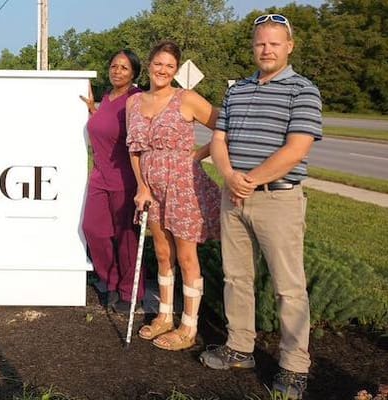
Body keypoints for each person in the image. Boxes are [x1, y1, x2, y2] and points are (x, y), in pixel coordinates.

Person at [199, 14, 322, 399]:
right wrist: (229, 175)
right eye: (260, 43)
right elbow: (219, 139)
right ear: (253, 47)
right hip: (233, 196)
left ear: (289, 47)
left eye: (274, 43)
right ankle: (240, 347)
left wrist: (249, 179)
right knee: (236, 278)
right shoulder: (237, 90)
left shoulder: (303, 90)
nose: (266, 50)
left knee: (289, 286)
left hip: (277, 199)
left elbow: (297, 149)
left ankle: (294, 366)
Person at [126, 40, 220, 351]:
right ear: (149, 65)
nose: (163, 70)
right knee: (163, 253)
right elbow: (134, 150)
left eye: (170, 66)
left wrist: (198, 155)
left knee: (186, 255)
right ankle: (165, 315)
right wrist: (141, 186)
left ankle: (188, 327)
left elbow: (225, 127)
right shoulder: (133, 103)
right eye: (158, 63)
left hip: (183, 186)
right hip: (152, 188)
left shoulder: (187, 99)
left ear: (176, 70)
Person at [79, 49, 144, 312]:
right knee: (93, 230)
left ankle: (131, 292)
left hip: (125, 178)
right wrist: (93, 110)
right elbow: (106, 127)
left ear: (134, 73)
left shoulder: (136, 100)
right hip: (99, 177)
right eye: (114, 66)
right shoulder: (107, 98)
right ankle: (111, 280)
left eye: (124, 68)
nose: (117, 71)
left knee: (126, 238)